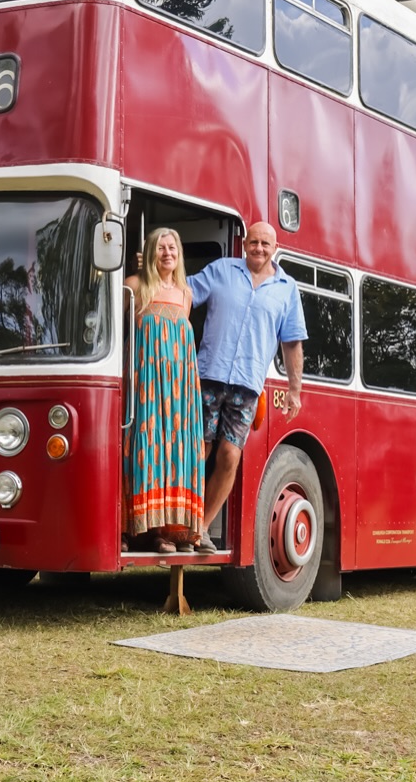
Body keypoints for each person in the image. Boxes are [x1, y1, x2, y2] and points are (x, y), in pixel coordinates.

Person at [188, 220, 307, 554]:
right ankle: (179, 520)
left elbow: (292, 342)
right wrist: (151, 273)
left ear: (275, 248)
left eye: (265, 244)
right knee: (199, 450)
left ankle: (201, 529)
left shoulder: (287, 288)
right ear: (244, 244)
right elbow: (185, 293)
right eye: (254, 242)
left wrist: (295, 389)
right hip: (208, 376)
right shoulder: (221, 270)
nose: (259, 249)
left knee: (229, 455)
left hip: (247, 386)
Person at [123, 227, 205, 559]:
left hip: (178, 386)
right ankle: (139, 529)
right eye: (160, 248)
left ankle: (170, 528)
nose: (167, 253)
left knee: (175, 450)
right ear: (149, 253)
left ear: (179, 254)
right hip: (146, 383)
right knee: (145, 447)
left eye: (172, 247)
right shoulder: (135, 286)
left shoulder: (186, 294)